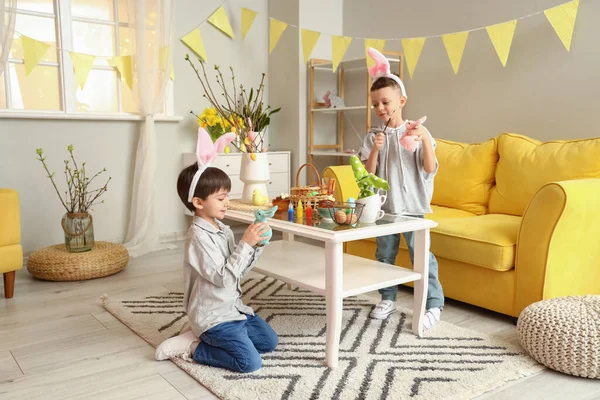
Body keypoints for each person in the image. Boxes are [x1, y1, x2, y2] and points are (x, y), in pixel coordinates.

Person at [154, 129, 278, 373]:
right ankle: (192, 346)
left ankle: (207, 337)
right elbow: (223, 278)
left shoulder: (223, 229)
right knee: (249, 363)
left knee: (268, 342)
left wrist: (257, 245)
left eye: (227, 196)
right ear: (199, 203)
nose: (227, 203)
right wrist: (245, 244)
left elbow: (238, 271)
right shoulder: (197, 239)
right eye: (221, 199)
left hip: (233, 310)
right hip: (213, 317)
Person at [358, 47, 444, 331]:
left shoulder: (416, 132)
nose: (380, 108)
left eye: (385, 102)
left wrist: (426, 140)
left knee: (422, 257)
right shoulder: (374, 136)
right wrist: (375, 153)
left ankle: (434, 304)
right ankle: (388, 297)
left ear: (401, 100)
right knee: (384, 256)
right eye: (375, 104)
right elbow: (366, 176)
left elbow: (430, 168)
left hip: (413, 208)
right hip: (385, 209)